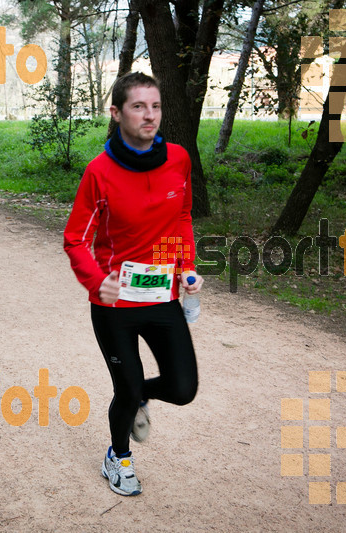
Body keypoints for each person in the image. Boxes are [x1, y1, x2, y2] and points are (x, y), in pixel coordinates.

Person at [63, 72, 203, 497]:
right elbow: (75, 238)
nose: (149, 115)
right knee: (126, 386)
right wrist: (95, 282)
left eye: (155, 106)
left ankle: (137, 396)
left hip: (161, 295)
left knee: (182, 389)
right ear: (116, 112)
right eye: (138, 106)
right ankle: (118, 458)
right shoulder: (99, 173)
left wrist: (186, 267)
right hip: (114, 304)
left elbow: (181, 216)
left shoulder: (178, 159)